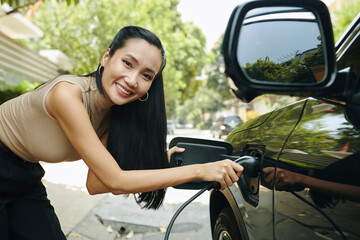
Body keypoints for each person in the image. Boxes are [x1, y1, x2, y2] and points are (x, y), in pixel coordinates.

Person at [0, 26, 243, 239]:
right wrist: (199, 170)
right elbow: (116, 181)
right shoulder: (67, 94)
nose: (132, 80)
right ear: (106, 57)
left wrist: (160, 162)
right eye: (128, 63)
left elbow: (96, 183)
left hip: (25, 174)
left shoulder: (112, 116)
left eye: (146, 75)